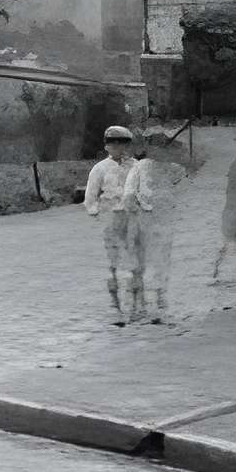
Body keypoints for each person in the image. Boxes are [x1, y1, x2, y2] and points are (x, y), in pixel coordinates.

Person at [122, 128, 184, 323]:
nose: (160, 151)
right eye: (156, 146)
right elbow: (129, 196)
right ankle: (136, 306)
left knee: (160, 264)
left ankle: (159, 304)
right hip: (143, 222)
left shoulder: (173, 169)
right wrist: (137, 211)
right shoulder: (139, 167)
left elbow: (179, 186)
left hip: (162, 223)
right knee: (139, 265)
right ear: (149, 148)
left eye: (163, 146)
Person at [84, 124, 141, 324]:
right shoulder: (100, 169)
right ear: (107, 146)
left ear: (127, 145)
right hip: (111, 220)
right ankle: (116, 307)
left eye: (122, 143)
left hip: (133, 218)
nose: (117, 147)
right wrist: (96, 212)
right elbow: (90, 197)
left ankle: (135, 307)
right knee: (113, 264)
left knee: (135, 262)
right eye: (113, 143)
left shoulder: (136, 166)